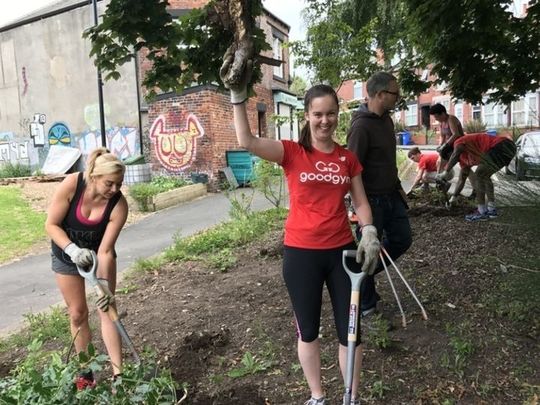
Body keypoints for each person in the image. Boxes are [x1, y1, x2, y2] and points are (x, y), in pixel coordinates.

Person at [220, 53, 380, 405]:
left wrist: (368, 230)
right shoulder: (291, 152)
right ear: (307, 115)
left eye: (331, 114)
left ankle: (350, 397)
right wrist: (237, 95)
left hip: (342, 254)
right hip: (301, 253)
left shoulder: (347, 158)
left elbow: (361, 202)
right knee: (308, 330)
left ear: (338, 115)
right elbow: (246, 141)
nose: (325, 121)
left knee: (349, 334)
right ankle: (318, 396)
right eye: (318, 114)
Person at [45, 147, 128, 389]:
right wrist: (72, 250)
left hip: (98, 257)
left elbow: (104, 251)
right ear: (94, 176)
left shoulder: (118, 206)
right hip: (65, 254)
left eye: (119, 184)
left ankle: (118, 376)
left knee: (107, 309)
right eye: (109, 184)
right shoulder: (72, 184)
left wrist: (103, 287)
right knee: (78, 313)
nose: (115, 190)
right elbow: (50, 224)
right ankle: (86, 373)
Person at [347, 71, 412, 319]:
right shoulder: (361, 127)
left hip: (391, 195)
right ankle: (366, 306)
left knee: (402, 239)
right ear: (381, 95)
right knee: (369, 251)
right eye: (395, 93)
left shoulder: (386, 119)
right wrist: (359, 209)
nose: (399, 97)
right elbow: (351, 170)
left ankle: (361, 274)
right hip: (371, 201)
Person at [436, 133, 516, 221]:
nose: (452, 160)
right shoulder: (463, 160)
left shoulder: (458, 143)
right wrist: (453, 197)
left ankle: (481, 212)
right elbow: (461, 180)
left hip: (503, 145)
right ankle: (491, 209)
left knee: (479, 174)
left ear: (451, 152)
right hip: (506, 150)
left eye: (449, 157)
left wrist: (445, 172)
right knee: (485, 176)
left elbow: (456, 153)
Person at [430, 102, 477, 199]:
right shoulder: (442, 123)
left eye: (437, 117)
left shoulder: (451, 119)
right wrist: (440, 146)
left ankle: (476, 190)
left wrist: (445, 145)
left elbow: (456, 134)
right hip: (450, 148)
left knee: (465, 169)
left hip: (460, 147)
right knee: (442, 162)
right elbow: (442, 137)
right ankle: (441, 183)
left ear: (442, 113)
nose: (436, 119)